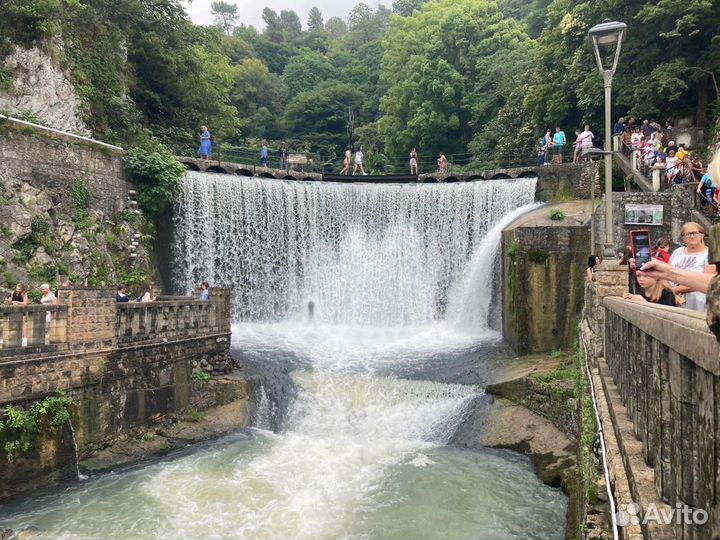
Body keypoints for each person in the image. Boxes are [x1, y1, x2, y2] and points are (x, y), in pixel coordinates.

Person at [668, 222, 710, 312]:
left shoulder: (709, 254)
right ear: (683, 237)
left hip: (698, 301)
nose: (691, 236)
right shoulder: (677, 252)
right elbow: (667, 272)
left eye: (694, 233)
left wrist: (672, 291)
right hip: (673, 299)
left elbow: (708, 282)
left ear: (702, 234)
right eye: (687, 234)